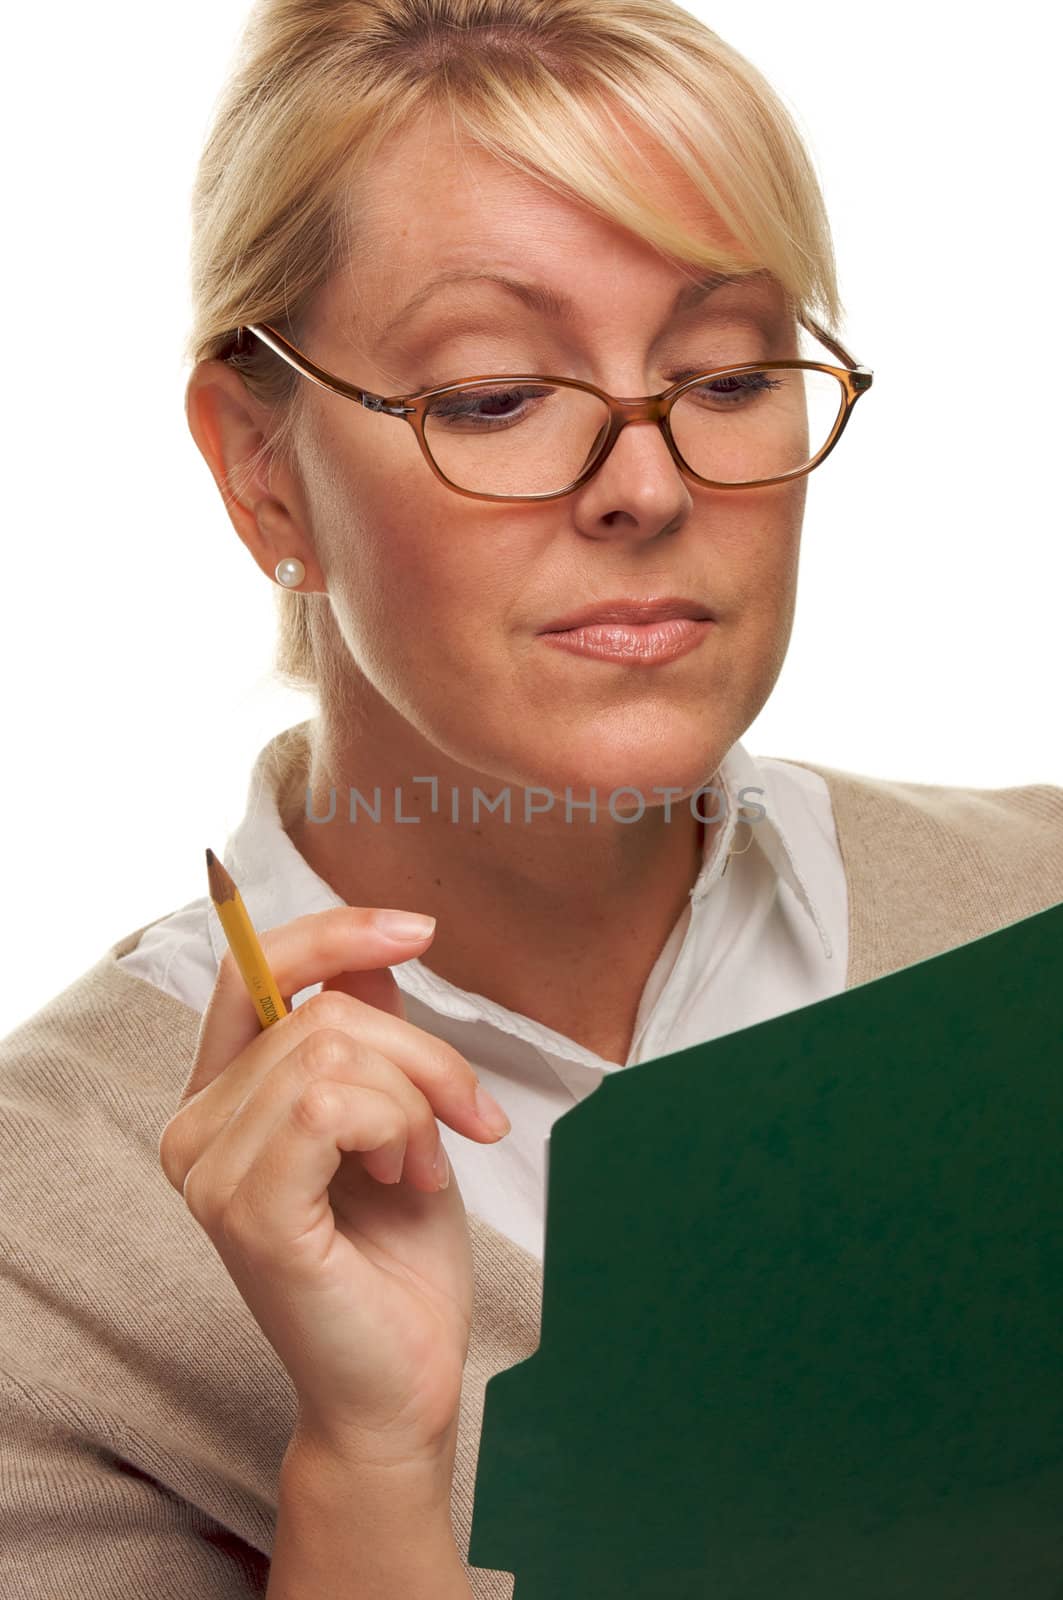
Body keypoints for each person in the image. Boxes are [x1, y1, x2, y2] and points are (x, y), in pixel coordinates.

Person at [2, 1, 1061, 1596]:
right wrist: (369, 1461)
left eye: (726, 374)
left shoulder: (1032, 913)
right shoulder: (52, 1251)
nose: (646, 485)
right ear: (259, 463)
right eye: (495, 395)